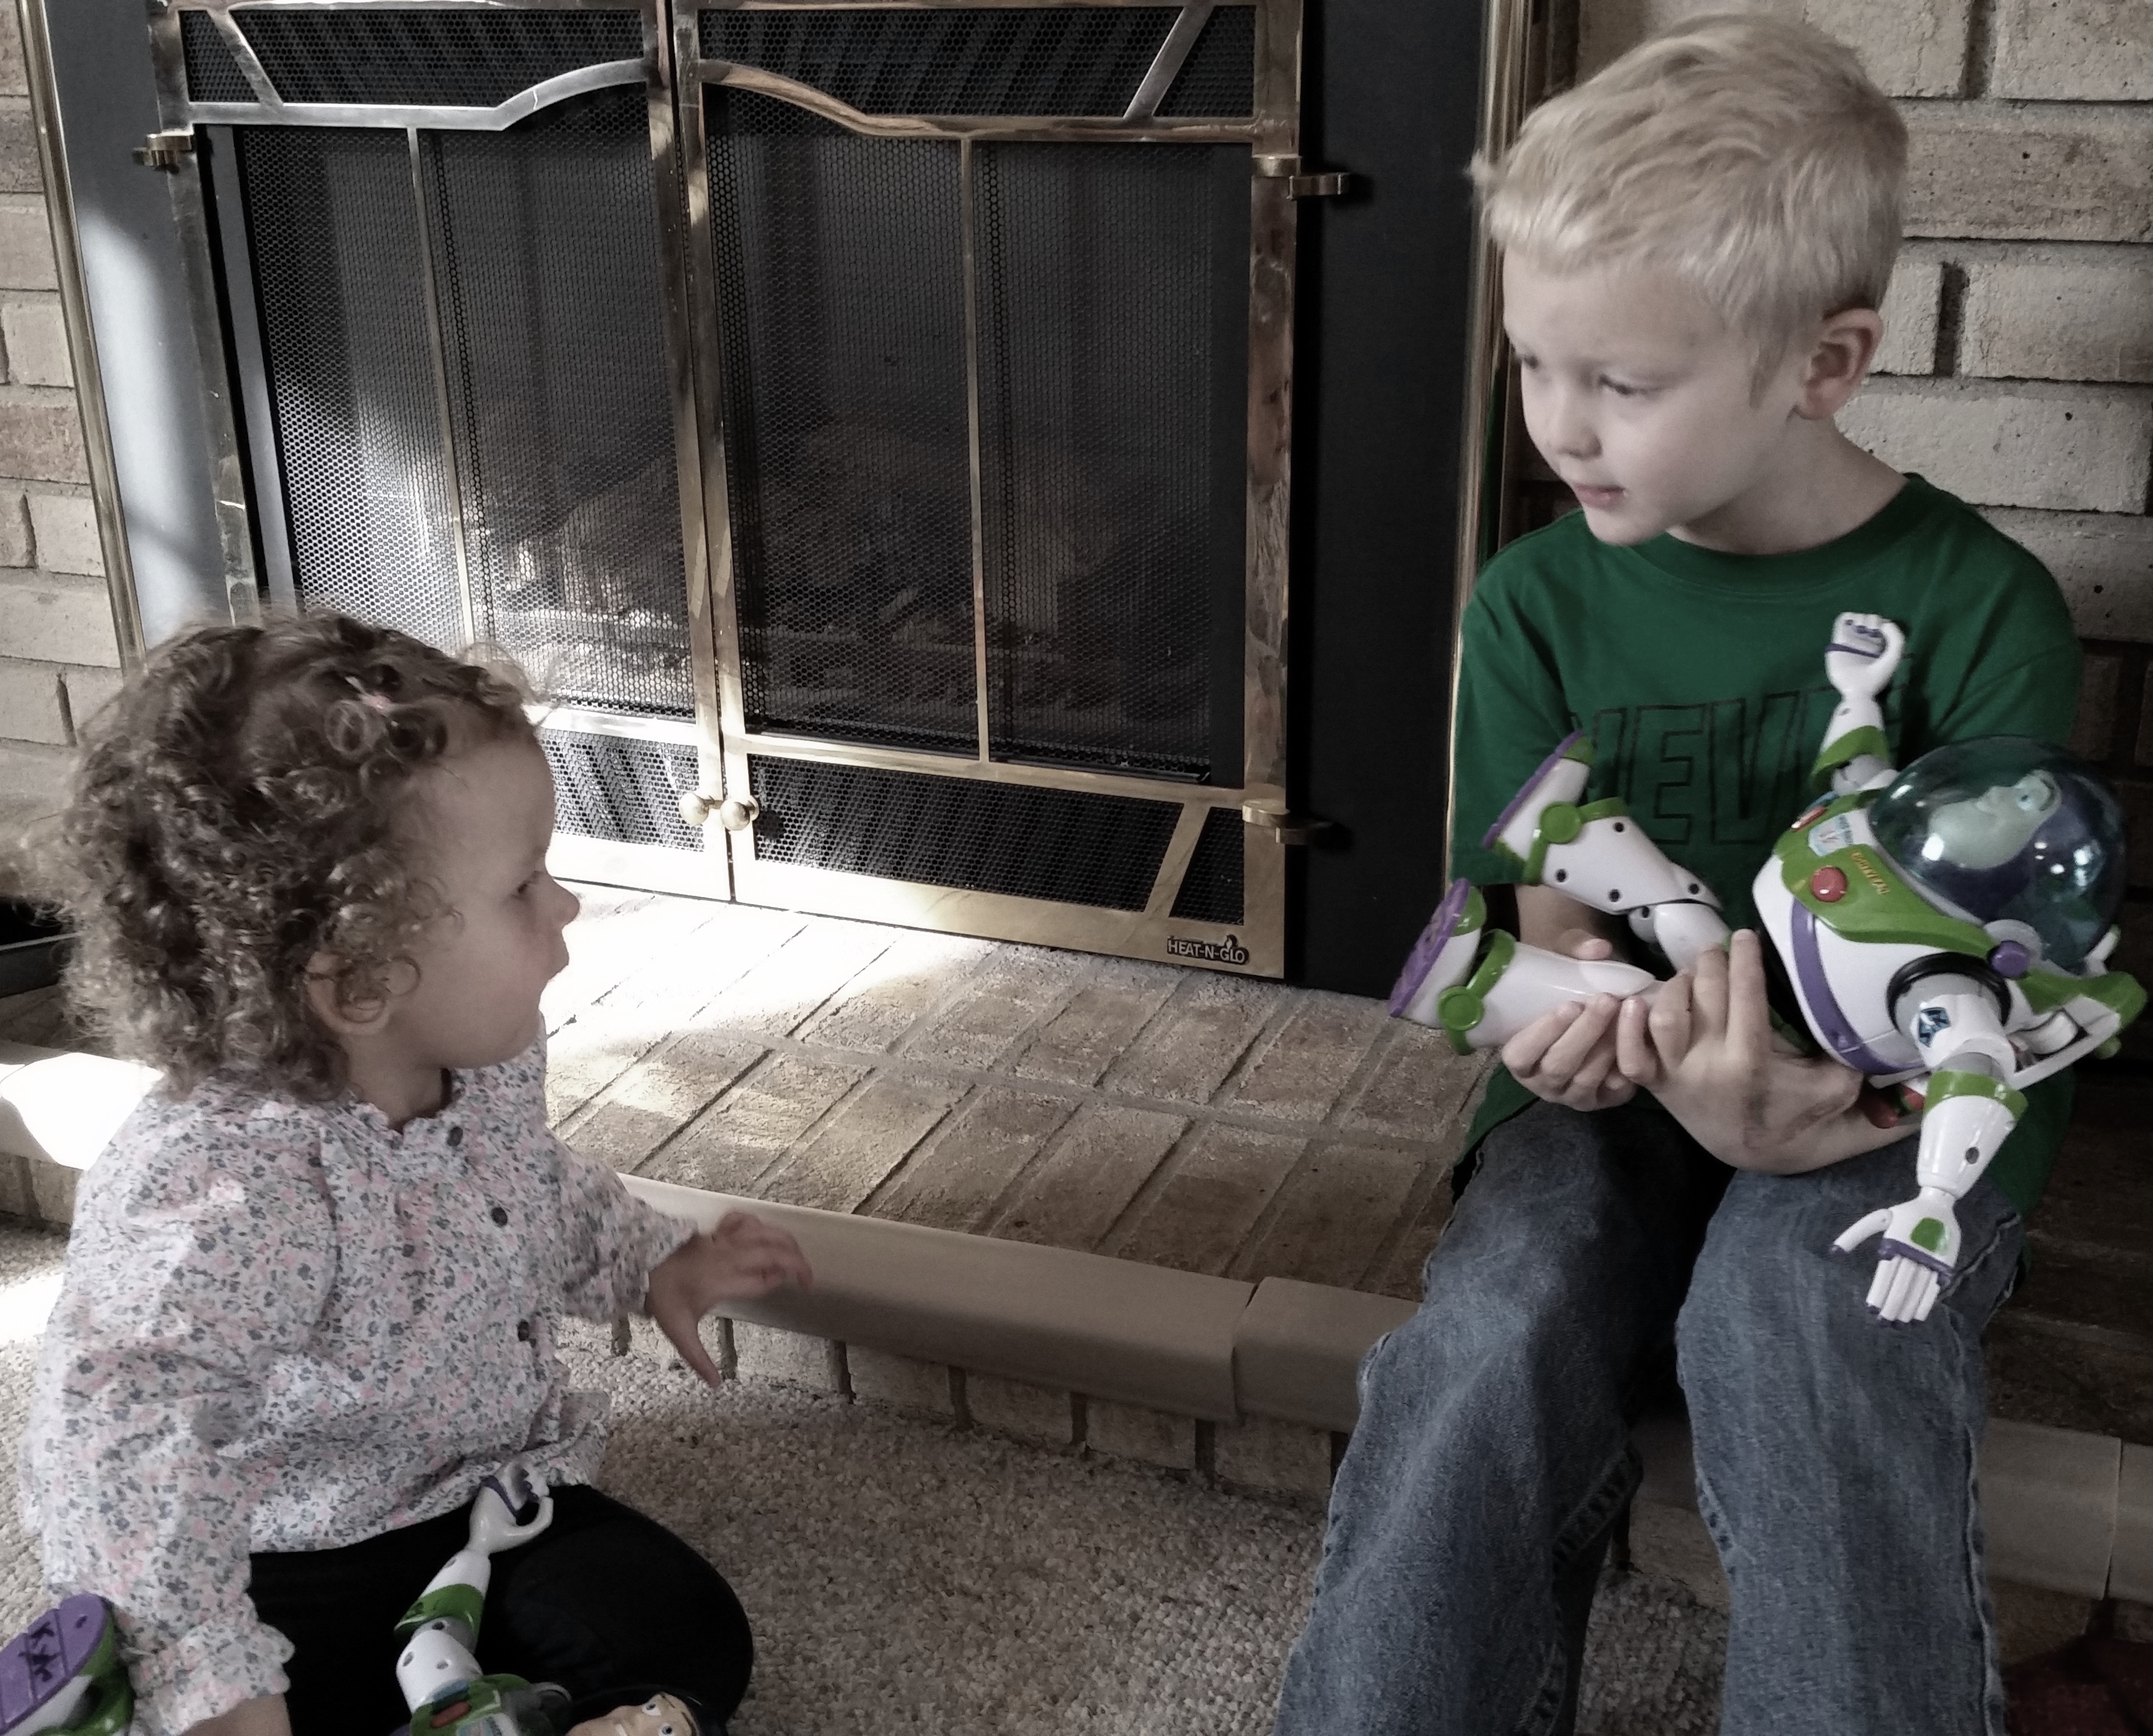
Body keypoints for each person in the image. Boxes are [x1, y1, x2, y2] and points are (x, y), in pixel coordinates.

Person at [1273, 16, 2080, 1736]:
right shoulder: (1533, 604)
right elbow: (1510, 917)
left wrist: (1785, 1118)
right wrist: (1537, 1011)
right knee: (1495, 1326)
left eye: (1623, 383)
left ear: (1825, 359)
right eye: (1533, 364)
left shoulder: (1982, 606)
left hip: (1891, 1111)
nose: (1562, 426)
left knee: (1799, 1318)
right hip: (1611, 1098)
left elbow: (2002, 990)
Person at [13, 612, 814, 1736]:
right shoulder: (228, 1187)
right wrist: (215, 1683)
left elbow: (528, 1191)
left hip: (490, 1493)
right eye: (525, 884)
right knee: (248, 1688)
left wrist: (656, 1264)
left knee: (683, 1628)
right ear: (362, 980)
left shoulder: (475, 1069)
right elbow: (120, 1432)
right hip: (292, 1541)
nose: (566, 904)